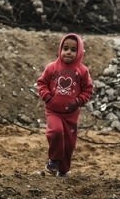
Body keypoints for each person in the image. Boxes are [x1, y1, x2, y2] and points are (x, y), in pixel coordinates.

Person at [36, 33, 94, 177]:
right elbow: (41, 83)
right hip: (53, 111)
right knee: (55, 132)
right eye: (66, 48)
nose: (68, 52)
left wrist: (78, 101)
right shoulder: (52, 68)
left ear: (79, 52)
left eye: (73, 50)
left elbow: (88, 89)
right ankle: (53, 160)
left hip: (71, 114)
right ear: (60, 49)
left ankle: (63, 170)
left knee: (69, 143)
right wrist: (48, 97)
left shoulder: (82, 71)